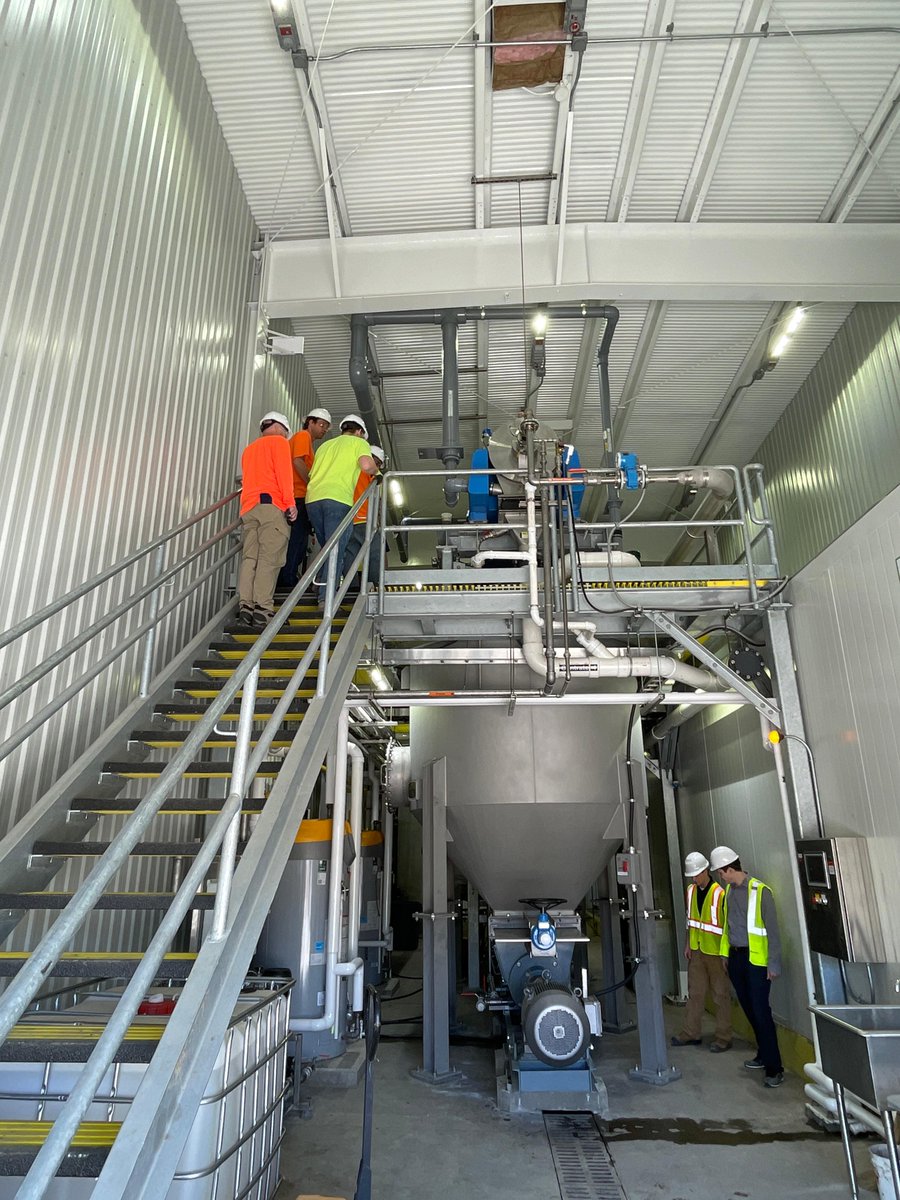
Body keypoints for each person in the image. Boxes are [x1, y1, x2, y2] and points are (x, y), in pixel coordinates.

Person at [709, 845, 784, 1088]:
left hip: (757, 962)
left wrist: (773, 963)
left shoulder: (761, 891)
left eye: (721, 872)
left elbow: (773, 931)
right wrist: (725, 954)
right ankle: (763, 1054)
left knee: (761, 1012)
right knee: (750, 1009)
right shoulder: (729, 892)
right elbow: (727, 927)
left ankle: (774, 1068)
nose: (720, 877)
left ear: (730, 869)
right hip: (736, 958)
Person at [305, 414, 377, 601]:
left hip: (313, 500)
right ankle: (326, 599)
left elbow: (312, 473)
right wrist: (377, 473)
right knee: (336, 550)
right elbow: (367, 465)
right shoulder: (359, 443)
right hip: (337, 500)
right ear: (359, 431)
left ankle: (318, 584)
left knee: (327, 547)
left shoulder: (324, 446)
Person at [238, 412, 296, 627]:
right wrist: (290, 503)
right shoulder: (279, 443)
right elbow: (284, 475)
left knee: (250, 558)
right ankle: (263, 609)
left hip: (249, 509)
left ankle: (246, 607)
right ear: (281, 427)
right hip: (270, 506)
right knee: (269, 558)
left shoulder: (249, 449)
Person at [670, 851, 732, 1053]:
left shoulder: (719, 894)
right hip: (696, 950)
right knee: (695, 993)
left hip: (715, 952)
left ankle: (723, 1037)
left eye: (696, 874)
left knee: (720, 995)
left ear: (706, 870)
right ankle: (691, 1033)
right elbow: (690, 920)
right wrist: (688, 944)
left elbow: (726, 927)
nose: (694, 879)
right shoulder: (691, 891)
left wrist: (725, 954)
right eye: (692, 876)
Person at [277, 407, 332, 591]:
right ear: (310, 422)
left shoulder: (306, 441)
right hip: (297, 496)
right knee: (297, 540)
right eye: (322, 425)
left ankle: (288, 577)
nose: (324, 429)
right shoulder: (303, 436)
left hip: (296, 497)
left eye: (326, 426)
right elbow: (297, 461)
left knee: (297, 541)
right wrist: (312, 484)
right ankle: (287, 579)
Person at [342, 445, 385, 591]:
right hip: (363, 518)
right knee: (375, 551)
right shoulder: (369, 472)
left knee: (350, 554)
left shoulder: (350, 468)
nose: (376, 467)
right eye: (376, 462)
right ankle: (373, 585)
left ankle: (350, 587)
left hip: (349, 518)